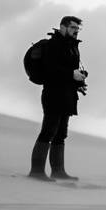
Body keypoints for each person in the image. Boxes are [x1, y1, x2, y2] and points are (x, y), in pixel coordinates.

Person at [28, 15, 87, 181]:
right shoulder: (53, 44)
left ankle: (58, 171)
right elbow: (50, 70)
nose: (76, 31)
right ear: (63, 27)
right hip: (53, 93)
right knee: (48, 131)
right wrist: (71, 74)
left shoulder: (73, 46)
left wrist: (79, 79)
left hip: (68, 94)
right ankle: (37, 171)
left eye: (78, 28)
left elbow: (69, 70)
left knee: (61, 134)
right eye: (73, 27)